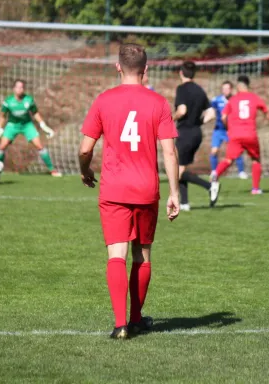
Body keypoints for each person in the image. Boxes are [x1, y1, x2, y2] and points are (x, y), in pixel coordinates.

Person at [79, 43, 180, 340]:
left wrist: (85, 171)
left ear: (118, 67)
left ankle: (120, 324)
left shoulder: (103, 100)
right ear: (147, 70)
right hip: (147, 189)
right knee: (143, 255)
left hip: (113, 189)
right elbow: (170, 153)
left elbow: (86, 149)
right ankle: (136, 319)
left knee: (116, 254)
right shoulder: (159, 103)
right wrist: (174, 192)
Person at [212, 75, 269, 194]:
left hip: (235, 135)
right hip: (250, 134)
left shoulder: (232, 100)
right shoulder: (254, 98)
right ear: (248, 86)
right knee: (255, 160)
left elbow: (223, 117)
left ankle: (215, 175)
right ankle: (255, 189)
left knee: (228, 160)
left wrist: (228, 128)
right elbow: (267, 114)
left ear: (238, 86)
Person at [173, 61, 220, 211]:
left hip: (185, 132)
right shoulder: (200, 90)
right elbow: (212, 114)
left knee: (176, 171)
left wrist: (170, 119)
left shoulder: (181, 89)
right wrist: (199, 122)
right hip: (196, 132)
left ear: (181, 72)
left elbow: (182, 110)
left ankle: (210, 186)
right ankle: (184, 203)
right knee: (180, 167)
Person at [0, 79, 62, 177]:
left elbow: (35, 113)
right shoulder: (8, 102)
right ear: (14, 89)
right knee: (2, 146)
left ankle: (52, 170)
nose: (20, 89)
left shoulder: (29, 100)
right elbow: (3, 116)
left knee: (39, 146)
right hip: (12, 125)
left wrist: (43, 125)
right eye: (18, 87)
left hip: (27, 125)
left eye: (22, 87)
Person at [210, 81, 248, 179]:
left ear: (231, 89)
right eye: (223, 89)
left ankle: (241, 172)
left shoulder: (236, 100)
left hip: (231, 130)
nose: (225, 91)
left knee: (236, 151)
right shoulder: (216, 100)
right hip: (219, 130)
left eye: (227, 89)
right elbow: (210, 110)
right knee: (214, 151)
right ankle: (214, 171)